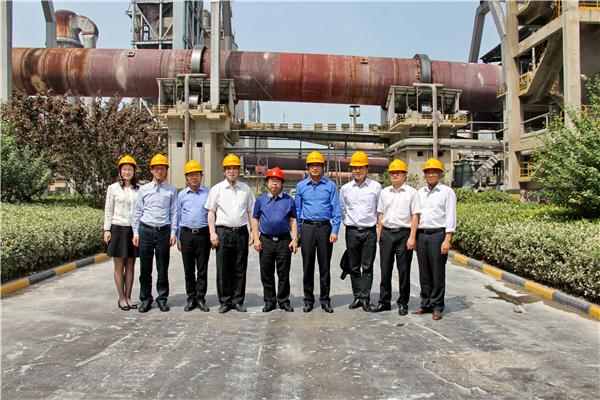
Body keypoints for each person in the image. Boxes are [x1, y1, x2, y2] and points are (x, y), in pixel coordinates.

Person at [205, 154, 256, 314]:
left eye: (235, 168)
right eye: (229, 168)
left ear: (239, 171)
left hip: (241, 232)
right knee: (223, 269)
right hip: (223, 232)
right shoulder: (217, 189)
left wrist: (253, 232)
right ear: (224, 171)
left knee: (240, 268)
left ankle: (238, 300)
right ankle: (225, 301)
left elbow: (251, 212)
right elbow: (211, 212)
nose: (232, 171)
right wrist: (212, 233)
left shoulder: (245, 189)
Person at [294, 151, 341, 313]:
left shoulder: (330, 186)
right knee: (307, 266)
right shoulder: (301, 186)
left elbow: (336, 209)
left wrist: (335, 230)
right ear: (307, 168)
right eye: (312, 165)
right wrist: (298, 233)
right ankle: (308, 300)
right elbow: (297, 210)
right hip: (307, 228)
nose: (315, 168)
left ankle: (325, 300)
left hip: (324, 229)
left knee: (324, 267)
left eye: (318, 165)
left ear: (322, 167)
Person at [372, 159, 420, 315]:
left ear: (405, 175)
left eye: (398, 172)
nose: (395, 175)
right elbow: (380, 214)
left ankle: (403, 302)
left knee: (403, 270)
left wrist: (412, 237)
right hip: (386, 233)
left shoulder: (412, 193)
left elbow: (415, 216)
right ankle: (384, 301)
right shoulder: (384, 192)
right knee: (385, 270)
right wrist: (379, 235)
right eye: (392, 172)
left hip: (403, 234)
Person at [132, 153, 178, 313]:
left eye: (162, 169)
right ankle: (145, 299)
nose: (159, 171)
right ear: (151, 170)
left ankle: (162, 298)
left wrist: (173, 233)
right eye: (156, 168)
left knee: (162, 268)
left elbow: (174, 212)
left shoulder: (171, 190)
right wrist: (135, 232)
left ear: (166, 171)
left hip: (163, 231)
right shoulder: (143, 189)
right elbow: (138, 211)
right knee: (145, 269)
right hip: (145, 231)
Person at [413, 158, 456, 321]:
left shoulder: (447, 192)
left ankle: (437, 306)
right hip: (421, 234)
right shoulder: (420, 193)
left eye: (434, 172)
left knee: (437, 272)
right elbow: (416, 215)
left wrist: (447, 238)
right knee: (424, 272)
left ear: (440, 174)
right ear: (424, 174)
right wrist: (414, 237)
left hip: (438, 235)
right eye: (428, 172)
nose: (431, 175)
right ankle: (426, 303)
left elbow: (451, 216)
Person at [251, 167, 299, 312]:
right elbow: (255, 219)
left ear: (282, 183)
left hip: (284, 241)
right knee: (266, 273)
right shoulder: (260, 200)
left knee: (283, 273)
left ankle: (283, 301)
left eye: (278, 181)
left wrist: (295, 239)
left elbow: (293, 220)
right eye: (272, 180)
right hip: (266, 240)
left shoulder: (289, 200)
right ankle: (270, 301)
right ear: (267, 183)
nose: (275, 183)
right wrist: (256, 238)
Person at [339, 151, 381, 312]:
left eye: (361, 167)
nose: (357, 170)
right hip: (352, 231)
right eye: (354, 168)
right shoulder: (345, 189)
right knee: (354, 266)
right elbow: (343, 209)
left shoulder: (376, 187)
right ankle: (357, 296)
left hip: (369, 231)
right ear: (351, 170)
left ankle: (365, 298)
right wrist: (350, 224)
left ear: (367, 168)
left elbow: (379, 209)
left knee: (367, 266)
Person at [103, 155, 140, 311]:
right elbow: (108, 209)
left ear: (134, 171)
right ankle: (121, 298)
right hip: (118, 228)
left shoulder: (138, 189)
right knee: (119, 266)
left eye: (130, 169)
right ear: (120, 171)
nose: (127, 172)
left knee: (131, 265)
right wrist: (106, 229)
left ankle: (129, 297)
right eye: (124, 169)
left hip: (133, 230)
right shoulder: (113, 188)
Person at [177, 160, 211, 312]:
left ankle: (201, 298)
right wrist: (178, 237)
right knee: (189, 269)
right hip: (186, 235)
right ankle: (191, 298)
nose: (194, 177)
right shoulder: (181, 195)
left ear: (201, 176)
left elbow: (212, 214)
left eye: (196, 174)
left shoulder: (208, 193)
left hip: (203, 234)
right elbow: (178, 216)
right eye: (190, 175)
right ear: (186, 177)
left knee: (202, 269)